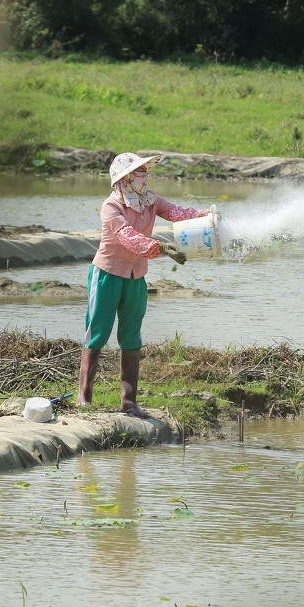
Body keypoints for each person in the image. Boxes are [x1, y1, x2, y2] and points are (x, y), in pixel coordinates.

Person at [78, 153, 209, 417]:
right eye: (139, 172)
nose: (144, 176)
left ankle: (129, 402)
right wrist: (161, 247)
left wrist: (202, 215)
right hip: (107, 274)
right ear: (124, 177)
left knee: (131, 334)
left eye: (144, 171)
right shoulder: (111, 206)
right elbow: (127, 236)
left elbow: (176, 213)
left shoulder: (151, 201)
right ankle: (84, 397)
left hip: (136, 276)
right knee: (98, 331)